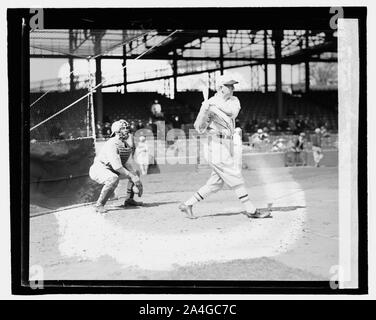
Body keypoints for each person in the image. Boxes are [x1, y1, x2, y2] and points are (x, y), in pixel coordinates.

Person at [178, 75, 271, 219]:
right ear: (221, 88)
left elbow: (232, 112)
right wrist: (204, 111)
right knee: (235, 174)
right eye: (229, 85)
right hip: (214, 144)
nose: (233, 88)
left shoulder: (233, 100)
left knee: (216, 183)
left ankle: (187, 205)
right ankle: (251, 210)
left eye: (233, 85)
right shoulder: (209, 104)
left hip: (228, 143)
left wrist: (212, 106)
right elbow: (199, 128)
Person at [89, 120, 143, 214]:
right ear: (116, 131)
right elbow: (117, 166)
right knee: (113, 178)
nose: (126, 130)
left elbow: (127, 164)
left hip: (112, 169)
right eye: (123, 128)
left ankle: (129, 200)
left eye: (127, 128)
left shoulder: (125, 144)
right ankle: (99, 205)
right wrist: (132, 176)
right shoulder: (112, 144)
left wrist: (136, 179)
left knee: (136, 172)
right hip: (100, 168)